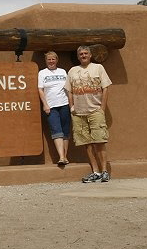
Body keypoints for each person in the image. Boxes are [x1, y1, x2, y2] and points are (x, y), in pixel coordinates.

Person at [64, 45, 113, 183]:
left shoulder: (98, 68)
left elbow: (106, 88)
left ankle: (104, 171)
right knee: (87, 143)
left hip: (95, 111)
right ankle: (95, 171)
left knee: (100, 141)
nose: (83, 56)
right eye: (81, 54)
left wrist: (102, 108)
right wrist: (71, 107)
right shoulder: (73, 71)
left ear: (90, 55)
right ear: (78, 56)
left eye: (86, 53)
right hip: (79, 113)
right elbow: (69, 91)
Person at [38, 51, 71, 166]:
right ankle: (61, 157)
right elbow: (40, 90)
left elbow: (68, 88)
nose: (51, 61)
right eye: (49, 59)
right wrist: (45, 104)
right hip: (51, 106)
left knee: (65, 131)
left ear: (56, 60)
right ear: (46, 61)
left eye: (53, 59)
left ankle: (65, 156)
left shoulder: (62, 72)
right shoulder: (42, 73)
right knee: (56, 131)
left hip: (64, 104)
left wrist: (71, 104)